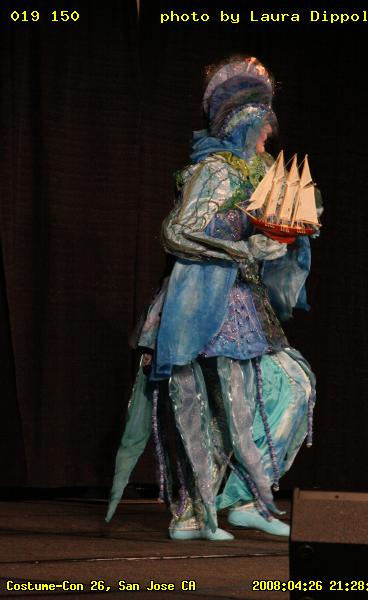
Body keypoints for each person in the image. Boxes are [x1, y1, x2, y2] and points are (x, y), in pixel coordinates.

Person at [105, 56, 322, 541]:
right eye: (262, 122)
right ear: (242, 122)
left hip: (245, 305)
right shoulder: (215, 170)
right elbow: (177, 231)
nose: (269, 132)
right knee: (198, 404)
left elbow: (279, 225)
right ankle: (190, 510)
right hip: (200, 302)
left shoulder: (265, 171)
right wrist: (242, 245)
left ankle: (244, 497)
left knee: (291, 386)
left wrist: (285, 241)